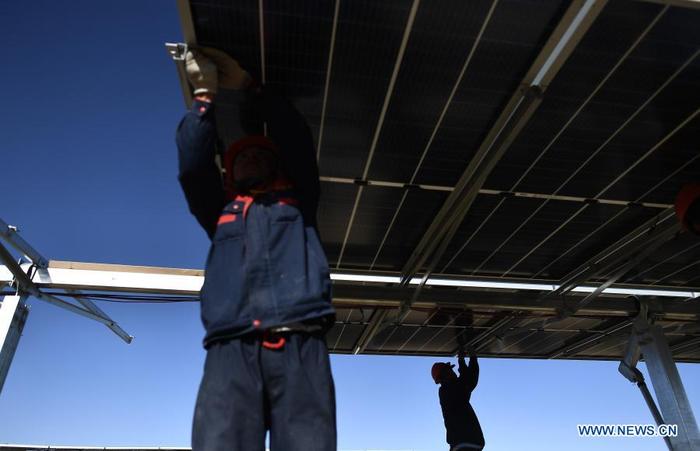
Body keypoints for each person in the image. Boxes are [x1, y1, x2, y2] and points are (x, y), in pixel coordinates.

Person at [176, 47, 337, 451]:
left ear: (276, 166)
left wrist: (250, 89)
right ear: (230, 174)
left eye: (257, 154)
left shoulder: (299, 201)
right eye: (240, 157)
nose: (248, 156)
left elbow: (296, 139)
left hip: (301, 345)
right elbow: (193, 168)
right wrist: (204, 98)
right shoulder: (221, 213)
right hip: (230, 349)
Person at [432, 346, 485, 450]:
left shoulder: (448, 390)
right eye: (450, 370)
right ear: (445, 374)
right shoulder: (448, 390)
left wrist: (463, 360)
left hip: (463, 443)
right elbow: (469, 380)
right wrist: (469, 359)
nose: (453, 372)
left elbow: (466, 380)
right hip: (466, 442)